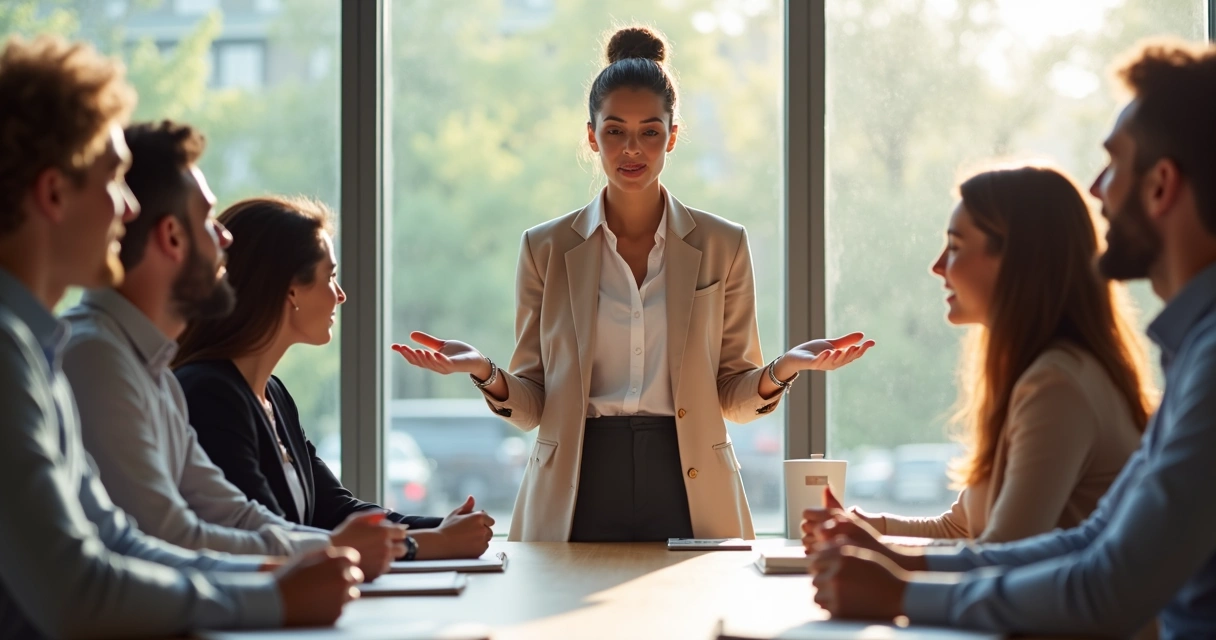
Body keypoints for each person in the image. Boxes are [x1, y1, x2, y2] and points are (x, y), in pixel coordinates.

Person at [392, 25, 873, 543]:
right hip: (577, 485)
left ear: (672, 135)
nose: (632, 148)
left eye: (649, 131)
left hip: (689, 483)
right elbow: (534, 405)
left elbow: (731, 397)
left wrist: (784, 368)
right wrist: (486, 372)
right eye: (615, 130)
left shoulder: (723, 243)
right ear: (592, 135)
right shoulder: (545, 247)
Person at [803, 39, 1216, 639]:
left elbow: (1107, 584)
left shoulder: (1182, 365)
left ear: (1160, 186)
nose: (1097, 189)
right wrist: (898, 564)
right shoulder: (1192, 353)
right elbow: (1092, 538)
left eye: (1114, 164)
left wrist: (903, 590)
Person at [0, 35, 359, 638]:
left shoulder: (40, 351)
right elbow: (78, 591)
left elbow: (116, 540)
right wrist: (273, 596)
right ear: (55, 192)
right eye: (115, 183)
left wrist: (281, 578)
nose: (130, 211)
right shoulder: (32, 354)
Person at [60, 120, 404, 579]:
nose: (224, 238)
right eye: (207, 217)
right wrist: (327, 555)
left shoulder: (152, 369)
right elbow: (169, 535)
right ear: (172, 236)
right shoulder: (98, 359)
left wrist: (333, 548)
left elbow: (233, 513)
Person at [806, 165, 1153, 544]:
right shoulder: (1040, 374)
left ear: (1017, 260)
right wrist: (865, 528)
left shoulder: (1056, 385)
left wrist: (879, 556)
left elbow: (999, 556)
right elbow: (959, 529)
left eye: (955, 247)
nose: (937, 266)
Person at [173, 195, 495, 561]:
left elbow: (334, 510)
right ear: (290, 289)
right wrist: (431, 543)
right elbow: (269, 540)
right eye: (331, 276)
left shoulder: (273, 394)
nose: (340, 295)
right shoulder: (208, 395)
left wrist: (440, 527)